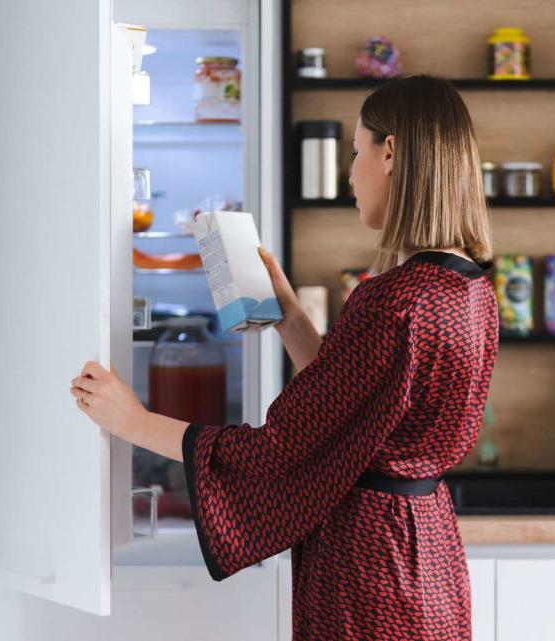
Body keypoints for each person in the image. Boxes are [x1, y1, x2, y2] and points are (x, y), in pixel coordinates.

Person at [71, 74, 498, 641]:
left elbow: (277, 450)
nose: (350, 171)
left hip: (369, 567)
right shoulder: (469, 291)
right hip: (429, 553)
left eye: (355, 151)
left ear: (390, 152)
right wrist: (290, 317)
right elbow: (358, 410)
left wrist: (134, 421)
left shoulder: (394, 300)